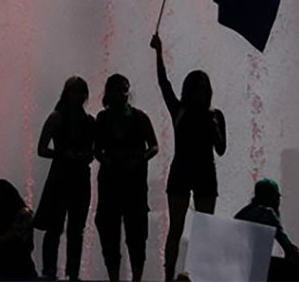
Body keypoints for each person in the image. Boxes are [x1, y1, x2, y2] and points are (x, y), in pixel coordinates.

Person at [149, 33, 226, 281]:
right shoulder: (179, 109)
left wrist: (214, 127)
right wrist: (158, 52)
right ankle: (169, 276)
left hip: (205, 172)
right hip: (182, 170)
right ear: (189, 90)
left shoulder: (215, 115)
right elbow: (163, 83)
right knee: (176, 227)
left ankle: (201, 275)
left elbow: (222, 149)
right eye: (197, 88)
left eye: (204, 89)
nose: (201, 93)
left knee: (206, 230)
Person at [94, 73, 158, 282]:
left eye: (125, 89)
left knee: (137, 236)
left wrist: (139, 160)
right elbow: (96, 149)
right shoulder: (102, 119)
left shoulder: (140, 117)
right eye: (118, 90)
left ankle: (136, 278)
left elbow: (154, 145)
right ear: (108, 93)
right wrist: (104, 159)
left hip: (134, 185)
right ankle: (114, 277)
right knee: (109, 235)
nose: (123, 94)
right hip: (110, 183)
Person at [34, 76, 95, 280]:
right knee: (55, 227)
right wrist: (62, 154)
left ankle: (73, 273)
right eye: (74, 91)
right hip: (61, 177)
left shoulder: (89, 121)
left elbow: (94, 150)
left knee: (76, 230)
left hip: (79, 178)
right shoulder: (56, 118)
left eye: (81, 92)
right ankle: (49, 271)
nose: (78, 96)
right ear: (66, 94)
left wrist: (84, 155)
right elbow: (41, 149)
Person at [234, 178, 299, 282]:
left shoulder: (243, 212)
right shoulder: (267, 213)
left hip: (238, 266)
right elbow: (290, 249)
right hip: (254, 269)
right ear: (274, 197)